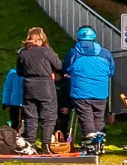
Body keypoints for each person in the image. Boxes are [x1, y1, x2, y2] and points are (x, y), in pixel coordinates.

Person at [64, 25, 115, 154]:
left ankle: (90, 144)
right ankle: (99, 143)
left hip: (81, 92)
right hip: (100, 91)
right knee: (98, 117)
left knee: (86, 117)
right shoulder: (105, 53)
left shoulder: (73, 53)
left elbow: (66, 68)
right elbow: (111, 71)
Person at [15, 27, 64, 153]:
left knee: (30, 117)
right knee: (48, 116)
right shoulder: (47, 50)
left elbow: (19, 72)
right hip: (45, 85)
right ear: (42, 38)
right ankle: (46, 146)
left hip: (29, 85)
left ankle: (30, 144)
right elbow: (58, 66)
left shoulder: (22, 52)